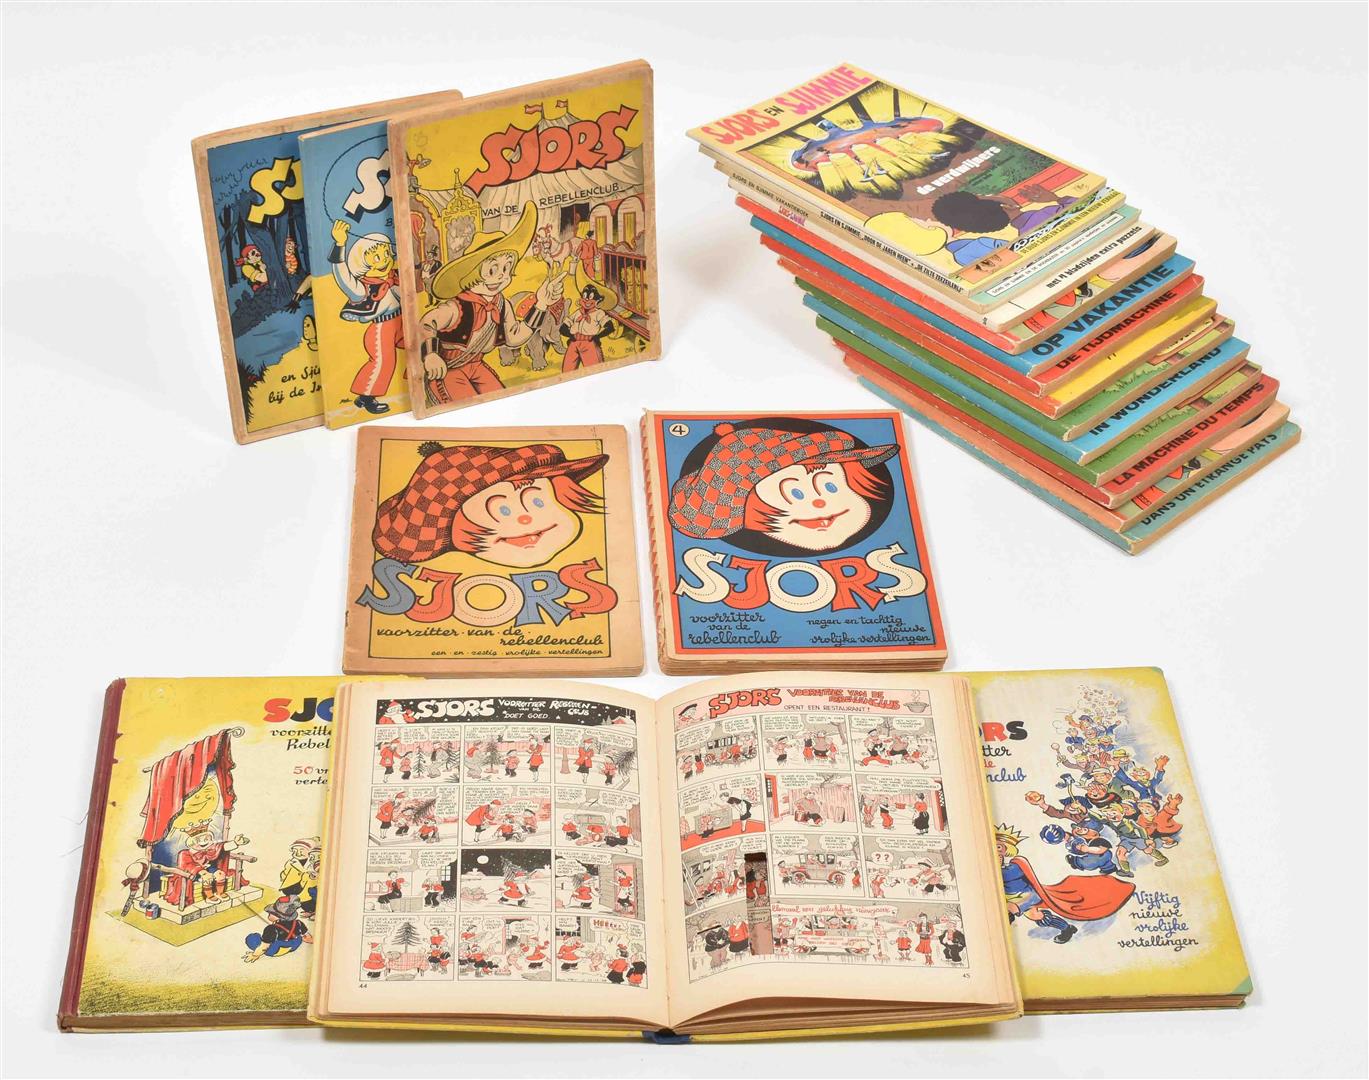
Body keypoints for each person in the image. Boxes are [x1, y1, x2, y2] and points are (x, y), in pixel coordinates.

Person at [417, 203, 567, 404]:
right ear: (471, 273)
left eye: (506, 269)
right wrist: (430, 355)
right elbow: (426, 323)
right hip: (449, 369)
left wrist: (540, 304)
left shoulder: (502, 304)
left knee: (500, 400)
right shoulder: (455, 307)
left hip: (477, 365)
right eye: (492, 270)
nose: (500, 277)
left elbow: (514, 338)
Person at [327, 220, 403, 414]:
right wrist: (340, 244)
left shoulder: (394, 277)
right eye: (377, 256)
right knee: (383, 362)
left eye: (386, 253)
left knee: (420, 340)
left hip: (401, 323)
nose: (384, 259)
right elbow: (344, 278)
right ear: (363, 263)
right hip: (381, 329)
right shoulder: (363, 288)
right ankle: (367, 397)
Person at [243, 896, 311, 962]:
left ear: (278, 916)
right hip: (294, 945)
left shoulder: (271, 928)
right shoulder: (298, 922)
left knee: (252, 937)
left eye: (271, 913)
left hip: (276, 950)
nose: (269, 914)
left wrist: (254, 955)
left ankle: (259, 953)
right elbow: (307, 936)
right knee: (297, 937)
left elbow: (264, 946)